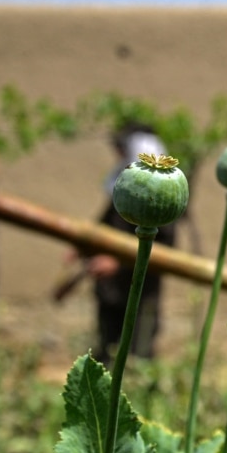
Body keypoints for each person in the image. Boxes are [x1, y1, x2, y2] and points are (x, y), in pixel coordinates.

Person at [59, 122, 178, 366]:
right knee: (107, 353)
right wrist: (82, 247)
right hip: (109, 292)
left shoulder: (160, 199)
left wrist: (118, 262)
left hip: (139, 291)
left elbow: (163, 248)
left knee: (136, 357)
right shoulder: (122, 188)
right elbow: (103, 226)